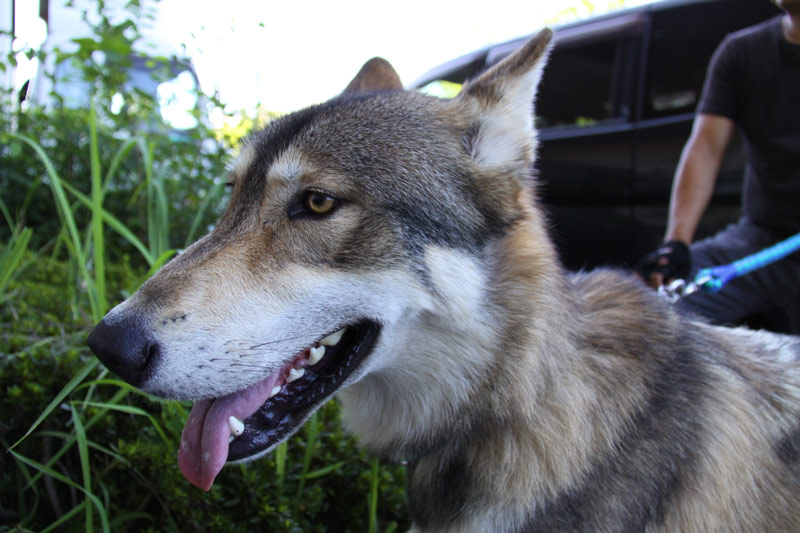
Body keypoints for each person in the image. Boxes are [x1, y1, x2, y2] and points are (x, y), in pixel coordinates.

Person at [638, 0, 800, 333]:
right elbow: (705, 149)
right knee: (644, 308)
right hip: (763, 240)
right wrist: (675, 243)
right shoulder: (742, 53)